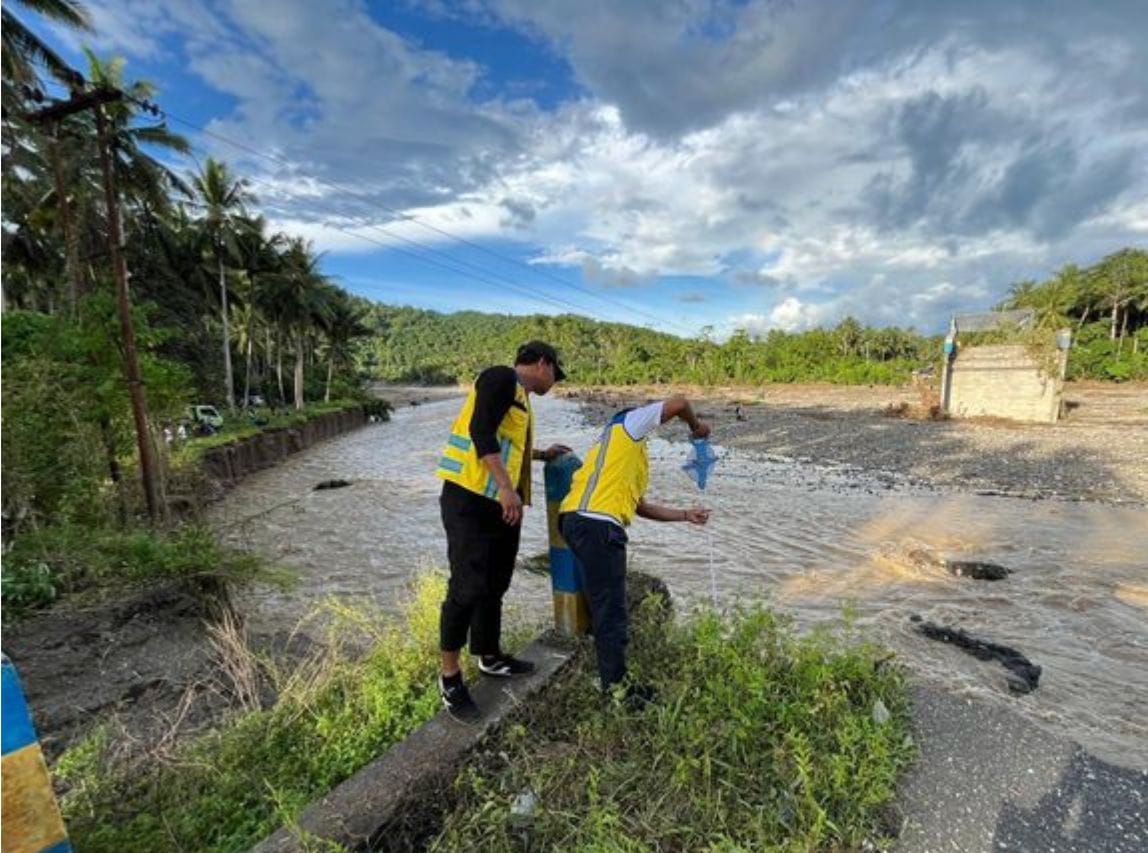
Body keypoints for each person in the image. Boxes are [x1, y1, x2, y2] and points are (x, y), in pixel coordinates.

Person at [435, 341, 571, 723]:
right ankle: (449, 677)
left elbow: (504, 443)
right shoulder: (500, 377)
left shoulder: (521, 398)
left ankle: (489, 655)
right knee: (466, 588)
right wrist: (509, 489)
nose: (554, 382)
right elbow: (482, 432)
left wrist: (542, 454)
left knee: (495, 583)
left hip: (498, 504)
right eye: (554, 374)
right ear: (542, 363)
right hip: (470, 498)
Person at [559, 396, 711, 706]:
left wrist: (685, 515)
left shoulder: (623, 454)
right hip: (598, 525)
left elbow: (639, 507)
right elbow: (680, 402)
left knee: (602, 604)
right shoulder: (626, 425)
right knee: (611, 611)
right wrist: (696, 428)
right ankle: (618, 691)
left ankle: (609, 676)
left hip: (577, 521)